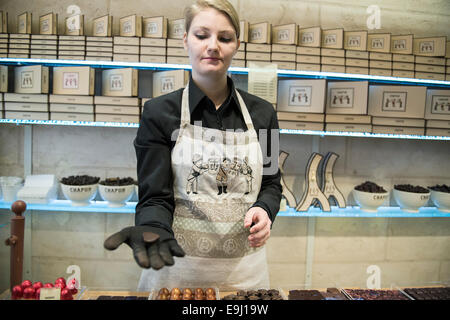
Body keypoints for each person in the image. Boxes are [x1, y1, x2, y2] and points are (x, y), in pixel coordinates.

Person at [104, 0, 282, 290]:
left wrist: (265, 209)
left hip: (245, 281)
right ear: (185, 39)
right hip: (175, 277)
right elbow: (155, 196)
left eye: (225, 38)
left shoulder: (263, 114)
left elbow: (272, 182)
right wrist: (153, 227)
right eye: (202, 35)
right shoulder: (159, 113)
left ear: (237, 44)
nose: (213, 46)